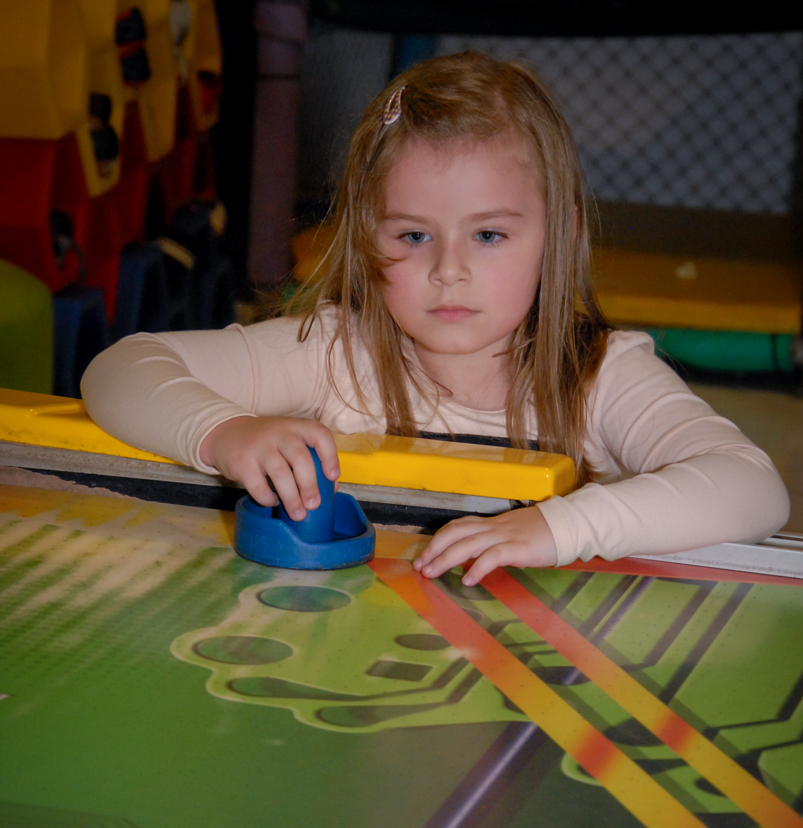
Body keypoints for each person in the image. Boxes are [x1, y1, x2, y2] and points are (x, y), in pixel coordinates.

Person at [82, 52, 789, 587]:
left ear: (562, 235)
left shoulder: (598, 375)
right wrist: (225, 433)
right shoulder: (336, 352)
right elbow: (120, 369)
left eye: (487, 235)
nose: (448, 270)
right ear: (366, 237)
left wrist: (558, 525)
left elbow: (753, 488)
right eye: (413, 236)